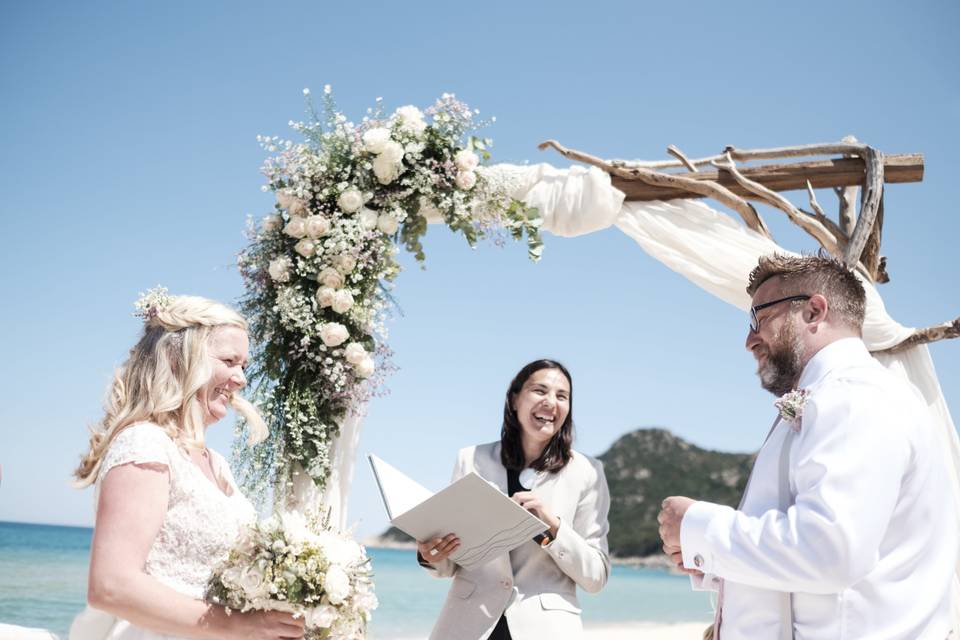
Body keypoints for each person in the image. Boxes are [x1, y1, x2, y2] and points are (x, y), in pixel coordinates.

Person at [657, 254, 959, 639]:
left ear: (814, 310)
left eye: (759, 318)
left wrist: (699, 526)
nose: (749, 340)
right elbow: (822, 574)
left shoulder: (854, 397)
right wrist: (715, 565)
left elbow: (830, 551)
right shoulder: (841, 396)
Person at [69, 290, 304, 640]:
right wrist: (245, 627)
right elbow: (111, 585)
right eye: (229, 361)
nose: (241, 379)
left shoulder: (216, 464)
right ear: (180, 358)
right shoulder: (145, 444)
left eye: (244, 366)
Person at [417, 359, 610, 640]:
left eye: (562, 396)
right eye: (540, 390)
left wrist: (554, 527)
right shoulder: (470, 459)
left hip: (547, 630)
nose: (551, 402)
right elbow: (449, 565)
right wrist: (430, 555)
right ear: (515, 399)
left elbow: (596, 578)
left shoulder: (587, 473)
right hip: (468, 626)